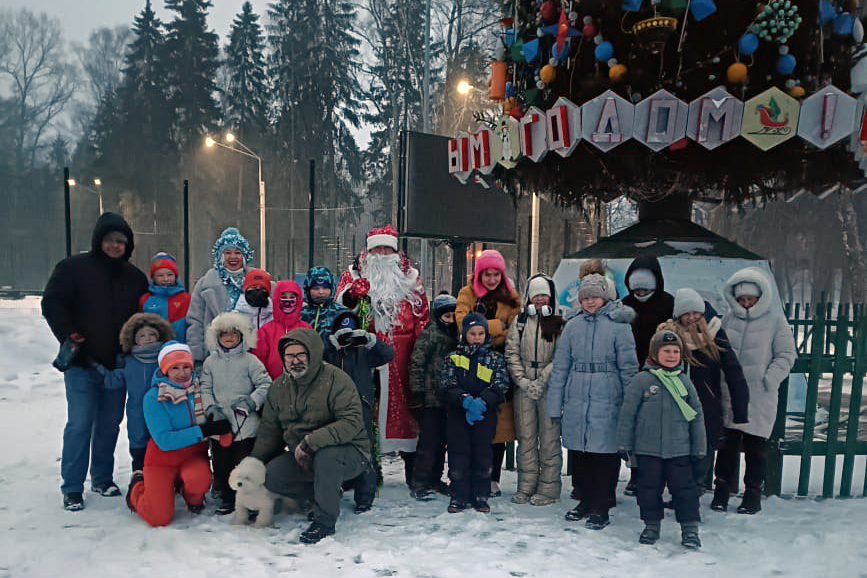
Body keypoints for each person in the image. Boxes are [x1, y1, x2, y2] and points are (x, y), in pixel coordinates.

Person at [42, 212, 149, 511]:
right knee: (79, 423)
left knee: (109, 424)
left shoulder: (135, 278)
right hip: (82, 364)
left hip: (117, 365)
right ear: (99, 240)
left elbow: (144, 317)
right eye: (110, 240)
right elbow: (52, 302)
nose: (116, 245)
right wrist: (68, 335)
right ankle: (72, 487)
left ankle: (102, 478)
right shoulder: (73, 268)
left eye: (122, 241)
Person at [250, 328, 371, 544]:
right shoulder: (278, 388)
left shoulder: (337, 380)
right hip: (303, 456)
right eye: (290, 356)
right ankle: (318, 495)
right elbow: (270, 431)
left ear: (313, 354)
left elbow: (351, 423)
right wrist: (254, 465)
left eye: (301, 355)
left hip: (350, 451)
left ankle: (324, 521)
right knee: (271, 475)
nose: (295, 361)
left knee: (327, 458)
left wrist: (311, 442)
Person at [336, 224, 429, 485]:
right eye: (377, 248)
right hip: (364, 354)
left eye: (387, 248)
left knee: (406, 412)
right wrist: (352, 296)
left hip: (402, 356)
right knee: (365, 409)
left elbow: (423, 314)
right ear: (368, 251)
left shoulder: (411, 277)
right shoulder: (352, 276)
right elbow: (338, 311)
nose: (382, 253)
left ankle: (413, 472)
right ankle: (365, 471)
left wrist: (419, 349)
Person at [546, 274, 639, 530]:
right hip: (577, 395)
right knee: (581, 452)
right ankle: (585, 500)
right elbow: (561, 367)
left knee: (605, 454)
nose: (590, 302)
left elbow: (629, 367)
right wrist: (555, 404)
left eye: (594, 297)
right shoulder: (573, 326)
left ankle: (603, 504)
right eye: (585, 297)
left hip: (608, 394)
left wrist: (631, 405)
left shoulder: (619, 324)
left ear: (605, 297)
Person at [714, 268, 796, 514]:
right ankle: (722, 491)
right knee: (727, 447)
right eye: (742, 299)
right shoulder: (729, 319)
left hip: (760, 395)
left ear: (761, 297)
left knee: (755, 448)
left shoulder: (775, 321)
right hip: (731, 394)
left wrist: (769, 380)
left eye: (751, 299)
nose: (747, 303)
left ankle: (752, 495)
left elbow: (786, 354)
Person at [126, 342, 233, 526]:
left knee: (199, 480)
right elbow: (164, 441)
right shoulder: (153, 397)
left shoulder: (201, 390)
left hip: (193, 456)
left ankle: (189, 495)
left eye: (186, 367)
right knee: (159, 518)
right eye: (175, 368)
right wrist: (204, 431)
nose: (182, 372)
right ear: (165, 369)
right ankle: (137, 488)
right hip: (162, 460)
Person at [617, 329, 706, 549]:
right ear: (654, 354)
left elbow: (696, 417)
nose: (671, 355)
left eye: (676, 351)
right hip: (648, 450)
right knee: (648, 490)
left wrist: (699, 447)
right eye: (666, 351)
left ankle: (690, 530)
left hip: (680, 450)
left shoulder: (684, 382)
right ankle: (651, 525)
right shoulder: (642, 381)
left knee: (685, 491)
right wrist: (624, 444)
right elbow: (628, 414)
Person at [661, 288, 751, 493]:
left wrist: (740, 408)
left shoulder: (714, 332)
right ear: (679, 316)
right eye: (686, 313)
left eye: (696, 313)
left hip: (706, 403)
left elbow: (733, 370)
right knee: (678, 450)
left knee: (703, 449)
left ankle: (696, 489)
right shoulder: (670, 336)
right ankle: (680, 492)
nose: (692, 318)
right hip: (676, 403)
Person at [455, 249, 521, 497]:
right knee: (472, 419)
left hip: (499, 362)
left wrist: (482, 327)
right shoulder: (467, 292)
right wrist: (496, 326)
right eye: (487, 274)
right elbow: (463, 324)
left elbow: (512, 329)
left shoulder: (511, 296)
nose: (491, 279)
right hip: (469, 363)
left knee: (499, 426)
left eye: (496, 274)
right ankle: (469, 473)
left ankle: (492, 477)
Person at [200, 311, 272, 515]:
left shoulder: (250, 360)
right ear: (216, 337)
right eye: (224, 334)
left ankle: (249, 499)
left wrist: (252, 401)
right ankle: (226, 495)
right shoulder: (210, 363)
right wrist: (211, 408)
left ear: (242, 335)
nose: (229, 338)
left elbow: (265, 383)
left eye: (234, 333)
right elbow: (205, 387)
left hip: (245, 423)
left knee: (244, 463)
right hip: (220, 424)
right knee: (221, 461)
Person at [323, 311, 395, 512]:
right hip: (333, 408)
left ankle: (365, 496)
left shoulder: (364, 352)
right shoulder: (330, 351)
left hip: (361, 406)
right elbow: (314, 356)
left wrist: (370, 340)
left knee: (365, 450)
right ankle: (336, 488)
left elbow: (388, 354)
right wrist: (333, 342)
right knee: (334, 449)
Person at [439, 313, 509, 513]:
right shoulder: (453, 357)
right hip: (458, 415)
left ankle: (480, 495)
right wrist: (465, 401)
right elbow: (447, 383)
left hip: (485, 415)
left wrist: (483, 401)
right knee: (458, 454)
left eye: (481, 333)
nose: (477, 337)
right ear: (464, 334)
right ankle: (458, 495)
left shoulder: (494, 358)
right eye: (472, 333)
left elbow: (501, 383)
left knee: (482, 455)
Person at [505, 273, 565, 506]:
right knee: (526, 438)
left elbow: (561, 356)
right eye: (536, 295)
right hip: (524, 389)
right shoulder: (519, 323)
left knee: (549, 439)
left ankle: (549, 489)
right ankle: (526, 486)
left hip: (548, 387)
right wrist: (523, 381)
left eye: (544, 295)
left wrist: (541, 381)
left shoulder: (560, 322)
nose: (540, 300)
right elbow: (511, 353)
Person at [620, 255, 674, 497]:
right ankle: (635, 473)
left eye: (646, 288)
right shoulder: (624, 305)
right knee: (634, 426)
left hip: (661, 374)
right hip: (631, 372)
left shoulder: (668, 304)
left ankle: (657, 476)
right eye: (636, 288)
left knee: (656, 428)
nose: (640, 293)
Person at [95, 313, 174, 474]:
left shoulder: (166, 359)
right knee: (139, 447)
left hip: (163, 412)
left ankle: (167, 481)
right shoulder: (128, 361)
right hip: (137, 413)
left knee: (162, 444)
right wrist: (97, 366)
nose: (148, 338)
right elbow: (113, 381)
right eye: (142, 335)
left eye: (152, 334)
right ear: (133, 339)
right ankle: (139, 480)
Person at [408, 292, 458, 499]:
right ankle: (419, 481)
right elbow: (417, 363)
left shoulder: (456, 336)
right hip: (429, 398)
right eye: (447, 317)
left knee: (441, 442)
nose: (451, 321)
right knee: (428, 442)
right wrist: (417, 393)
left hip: (447, 398)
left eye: (454, 316)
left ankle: (435, 478)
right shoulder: (429, 335)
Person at [187, 227, 254, 364]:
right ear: (220, 256)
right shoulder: (205, 284)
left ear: (245, 255)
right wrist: (197, 354)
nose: (233, 257)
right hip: (214, 354)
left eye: (238, 252)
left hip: (249, 354)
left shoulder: (256, 281)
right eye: (227, 252)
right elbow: (195, 321)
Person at [256, 279, 312, 379]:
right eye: (284, 297)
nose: (288, 301)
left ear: (298, 300)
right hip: (273, 383)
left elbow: (313, 356)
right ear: (277, 299)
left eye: (292, 297)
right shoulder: (266, 330)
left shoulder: (306, 328)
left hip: (302, 382)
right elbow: (259, 360)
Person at [139, 252, 190, 342]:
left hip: (180, 347)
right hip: (154, 348)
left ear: (176, 276)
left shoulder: (186, 298)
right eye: (160, 275)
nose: (166, 279)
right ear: (153, 277)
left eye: (170, 275)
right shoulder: (146, 299)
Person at [302, 266, 347, 341]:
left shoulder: (342, 313)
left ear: (332, 288)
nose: (321, 292)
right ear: (308, 290)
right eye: (316, 288)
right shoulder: (300, 313)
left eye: (325, 288)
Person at [233, 268, 274, 334]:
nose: (258, 289)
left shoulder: (273, 316)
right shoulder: (234, 317)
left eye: (262, 288)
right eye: (254, 287)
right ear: (246, 289)